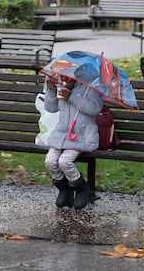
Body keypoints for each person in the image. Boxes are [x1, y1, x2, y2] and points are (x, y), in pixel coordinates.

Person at [44, 75, 103, 209]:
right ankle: (64, 188)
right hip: (62, 134)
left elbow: (94, 109)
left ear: (76, 77)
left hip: (82, 135)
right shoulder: (61, 87)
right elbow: (51, 108)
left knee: (64, 161)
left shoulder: (91, 89)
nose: (64, 82)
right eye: (61, 78)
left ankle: (81, 188)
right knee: (50, 161)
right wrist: (51, 90)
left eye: (68, 79)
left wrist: (71, 97)